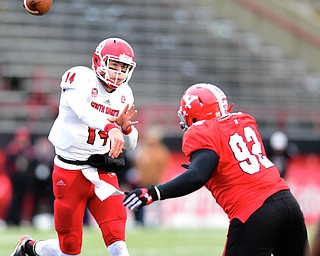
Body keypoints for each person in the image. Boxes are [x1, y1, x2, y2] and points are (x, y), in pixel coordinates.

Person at [124, 83, 310, 256]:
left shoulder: (202, 131)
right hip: (289, 205)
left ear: (194, 114)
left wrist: (154, 192)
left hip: (254, 213)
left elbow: (198, 175)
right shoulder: (244, 121)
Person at [12, 37, 139, 256]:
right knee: (68, 250)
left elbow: (131, 143)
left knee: (118, 243)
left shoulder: (125, 94)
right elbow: (83, 112)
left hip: (102, 171)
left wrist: (126, 129)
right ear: (98, 61)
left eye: (123, 67)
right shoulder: (79, 78)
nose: (118, 72)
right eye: (113, 65)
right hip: (69, 171)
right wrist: (111, 127)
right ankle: (31, 247)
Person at [129, 127, 171, 226]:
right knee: (141, 201)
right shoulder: (142, 149)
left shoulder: (161, 151)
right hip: (143, 181)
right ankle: (139, 220)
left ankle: (157, 221)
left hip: (154, 181)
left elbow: (162, 166)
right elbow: (136, 163)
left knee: (156, 202)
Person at [5, 127, 37, 226]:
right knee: (14, 200)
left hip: (27, 182)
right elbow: (8, 167)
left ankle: (27, 219)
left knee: (28, 200)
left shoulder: (30, 152)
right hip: (15, 181)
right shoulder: (12, 151)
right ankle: (12, 220)